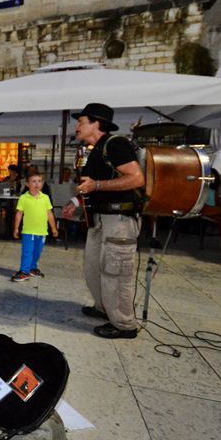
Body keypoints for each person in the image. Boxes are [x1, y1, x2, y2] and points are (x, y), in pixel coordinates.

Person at [62, 103, 144, 340]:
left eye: (81, 122)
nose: (76, 127)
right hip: (99, 218)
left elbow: (136, 178)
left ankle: (124, 324)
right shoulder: (96, 150)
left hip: (119, 220)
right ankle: (104, 308)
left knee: (115, 272)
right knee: (93, 269)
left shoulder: (115, 144)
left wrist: (97, 185)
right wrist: (75, 202)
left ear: (96, 123)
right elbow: (90, 186)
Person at [11, 171, 58, 281]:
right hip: (28, 231)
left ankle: (32, 268)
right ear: (27, 184)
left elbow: (49, 213)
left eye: (39, 181)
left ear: (42, 183)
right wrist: (16, 228)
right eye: (34, 181)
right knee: (27, 252)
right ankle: (24, 271)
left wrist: (54, 228)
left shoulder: (45, 198)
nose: (37, 184)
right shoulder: (24, 198)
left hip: (42, 231)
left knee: (37, 252)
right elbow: (19, 213)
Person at [198, 169, 221, 254]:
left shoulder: (214, 188)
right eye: (210, 176)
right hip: (204, 208)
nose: (212, 178)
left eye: (213, 176)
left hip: (214, 210)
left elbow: (217, 201)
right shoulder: (202, 186)